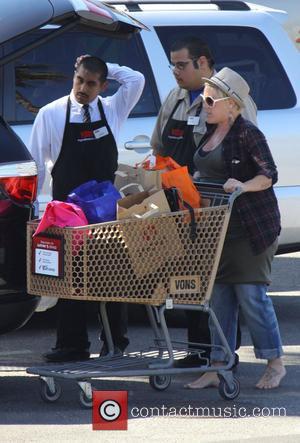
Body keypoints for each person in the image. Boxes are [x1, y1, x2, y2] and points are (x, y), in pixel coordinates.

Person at [30, 55, 145, 362]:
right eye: (79, 79)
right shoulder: (50, 113)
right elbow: (39, 165)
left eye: (92, 83)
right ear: (74, 76)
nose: (83, 88)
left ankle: (115, 343)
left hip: (105, 211)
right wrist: (33, 206)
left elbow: (136, 80)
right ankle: (71, 345)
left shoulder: (113, 108)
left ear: (103, 86)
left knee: (111, 276)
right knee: (68, 279)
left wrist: (104, 63)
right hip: (66, 211)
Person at [151, 36, 256, 367]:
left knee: (218, 285)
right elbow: (159, 147)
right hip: (178, 207)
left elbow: (246, 153)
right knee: (185, 282)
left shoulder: (229, 100)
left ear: (204, 63)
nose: (176, 72)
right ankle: (197, 351)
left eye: (182, 65)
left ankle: (223, 353)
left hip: (213, 207)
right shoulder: (175, 99)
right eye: (173, 66)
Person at [185, 67, 286, 390]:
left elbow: (268, 175)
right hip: (217, 230)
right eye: (204, 99)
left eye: (212, 100)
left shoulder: (247, 133)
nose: (206, 105)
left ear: (232, 104)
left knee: (251, 296)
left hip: (250, 228)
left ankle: (275, 363)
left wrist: (241, 185)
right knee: (219, 300)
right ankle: (218, 366)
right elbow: (204, 173)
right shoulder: (206, 132)